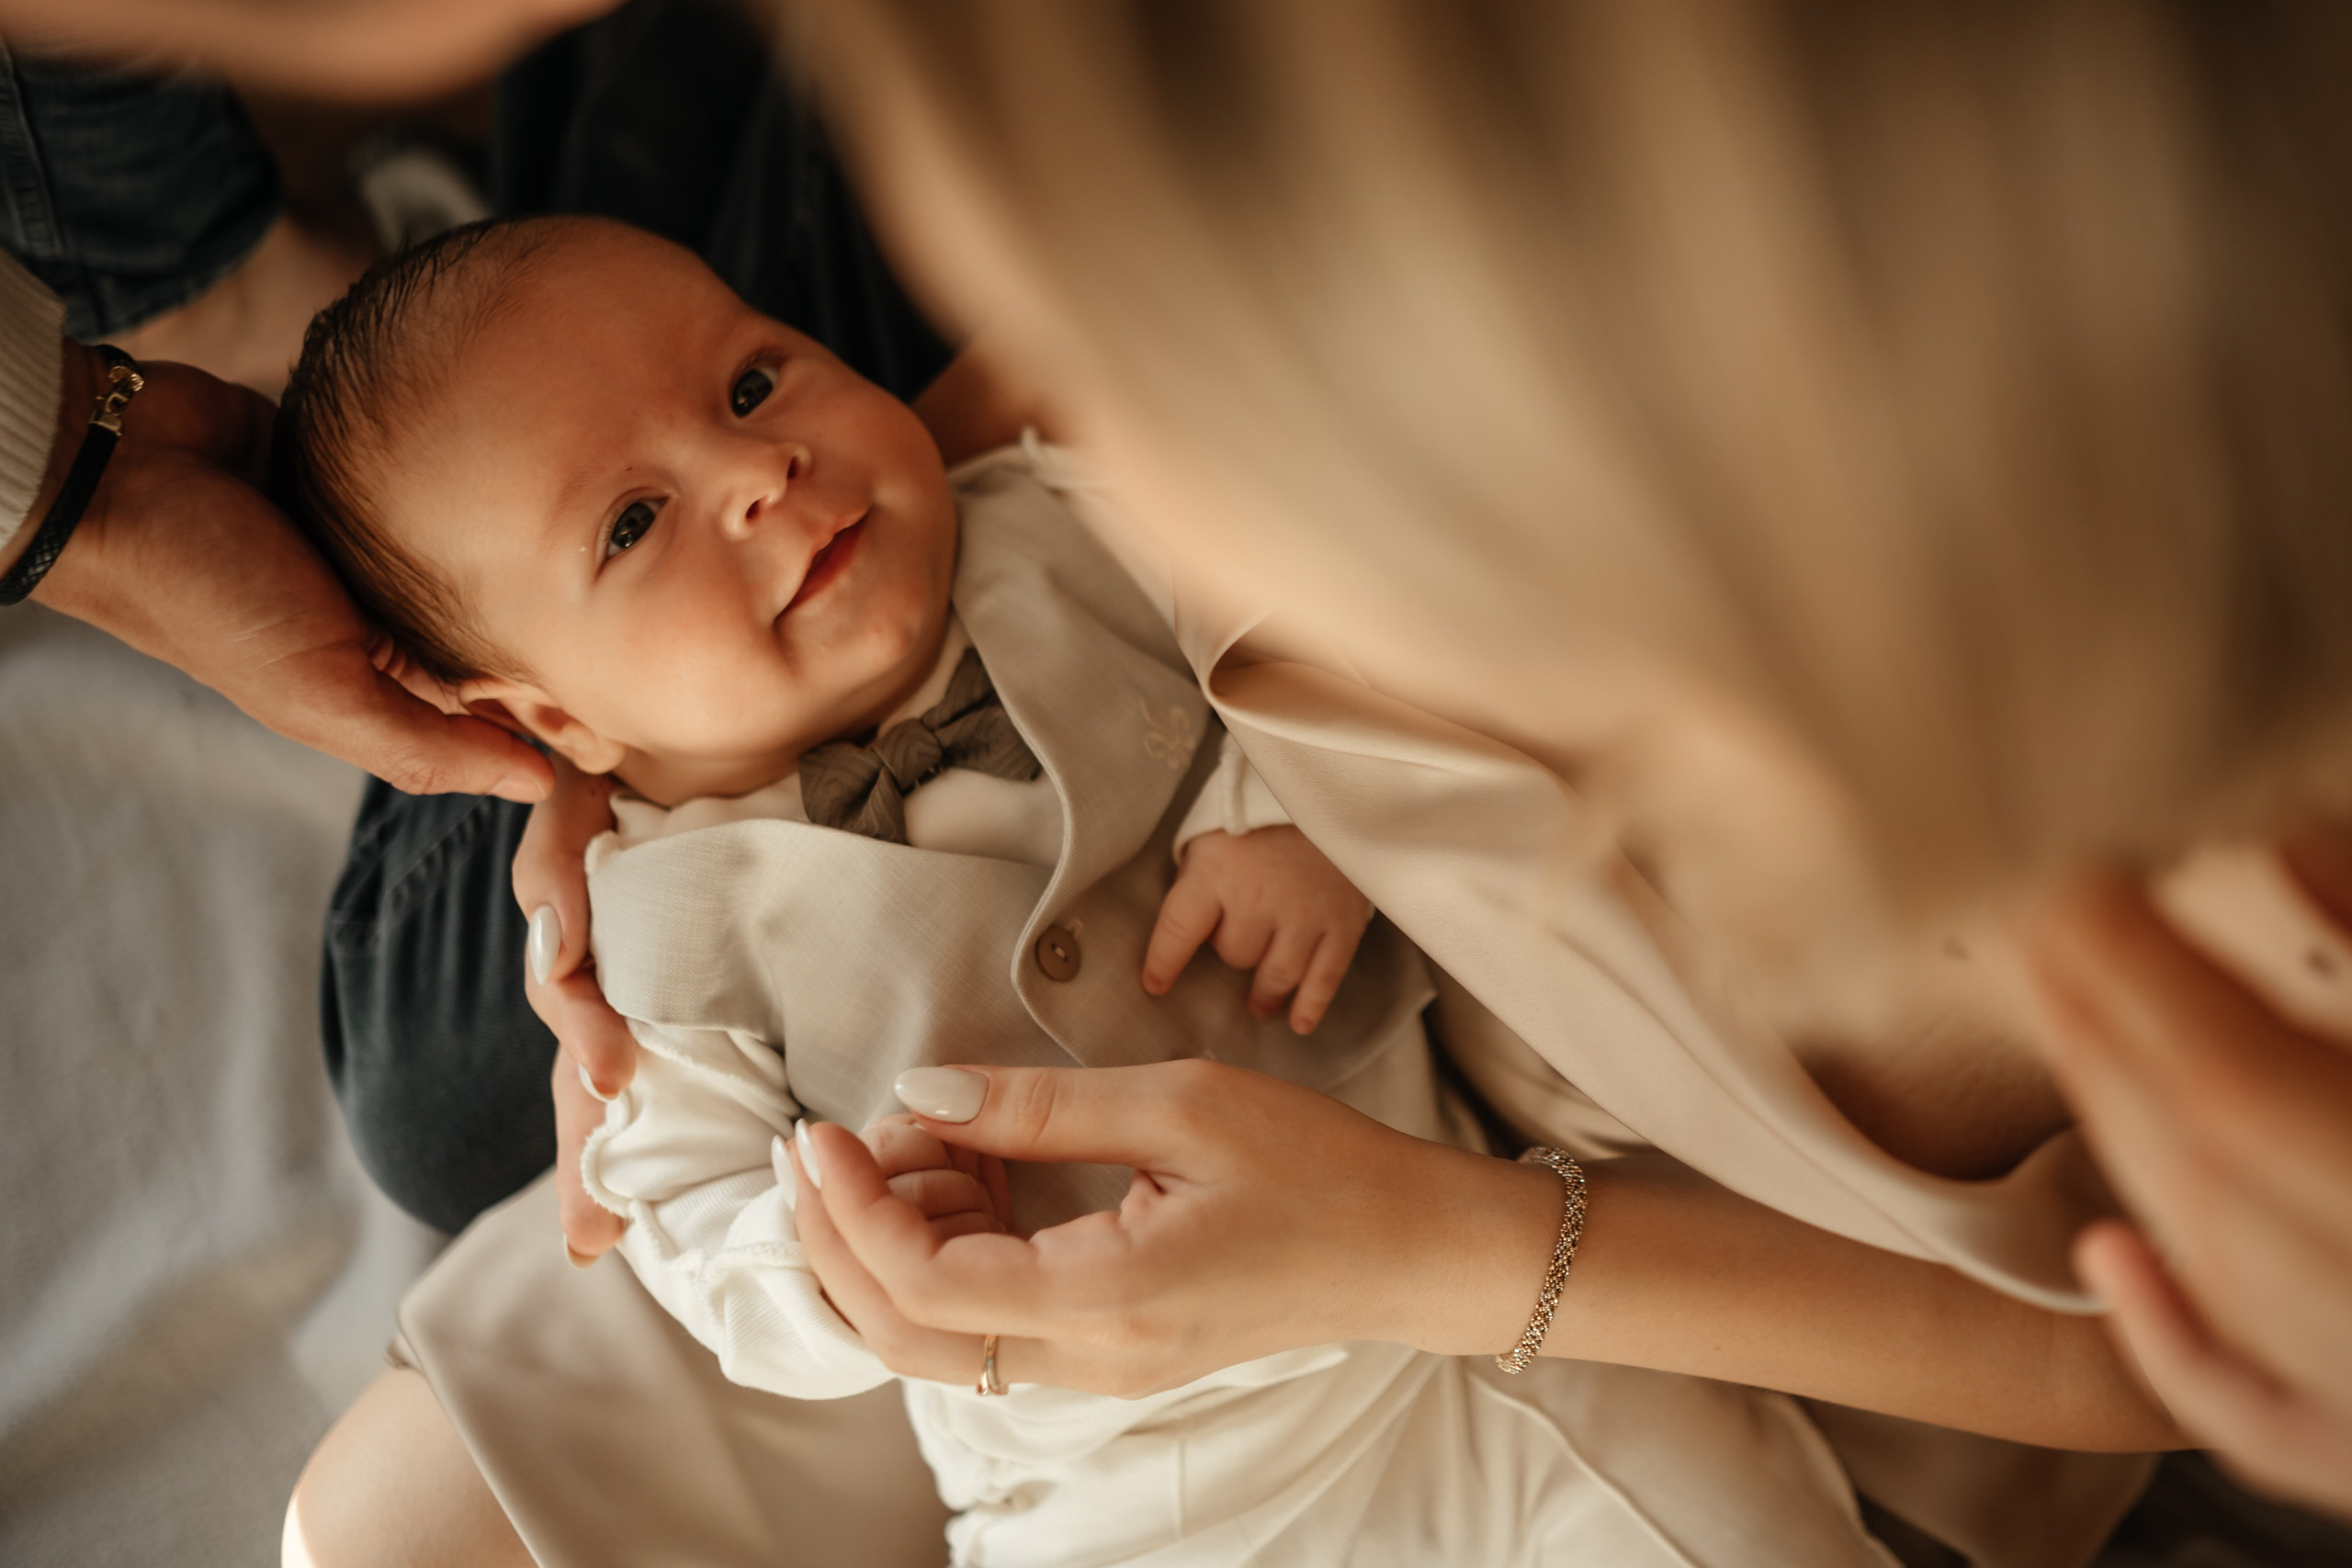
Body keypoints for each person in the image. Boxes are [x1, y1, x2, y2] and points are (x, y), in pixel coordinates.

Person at [274, 210, 2176, 1568]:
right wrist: (824, 1256)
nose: (761, 469)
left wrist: (1291, 820)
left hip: (1532, 1300)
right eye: (631, 521)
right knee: (425, 1115)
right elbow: (685, 1204)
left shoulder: (1048, 519)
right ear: (535, 715)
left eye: (757, 376)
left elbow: (1249, 630)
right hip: (1126, 1491)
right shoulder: (654, 921)